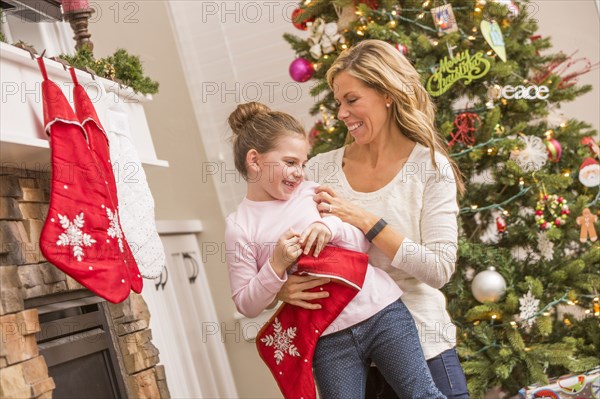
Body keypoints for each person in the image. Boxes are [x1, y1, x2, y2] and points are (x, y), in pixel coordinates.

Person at [277, 39, 470, 399]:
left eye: (352, 100)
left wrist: (368, 221)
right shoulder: (321, 169)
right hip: (349, 359)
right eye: (338, 102)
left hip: (423, 347)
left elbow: (439, 270)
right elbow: (286, 242)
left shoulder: (430, 169)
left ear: (387, 94)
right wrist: (281, 288)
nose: (341, 113)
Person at [224, 102, 446, 399]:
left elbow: (361, 243)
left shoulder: (312, 192)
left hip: (381, 311)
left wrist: (331, 228)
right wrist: (275, 267)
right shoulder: (240, 227)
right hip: (327, 338)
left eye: (303, 164)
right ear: (255, 160)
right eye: (291, 162)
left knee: (423, 395)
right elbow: (246, 303)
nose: (299, 173)